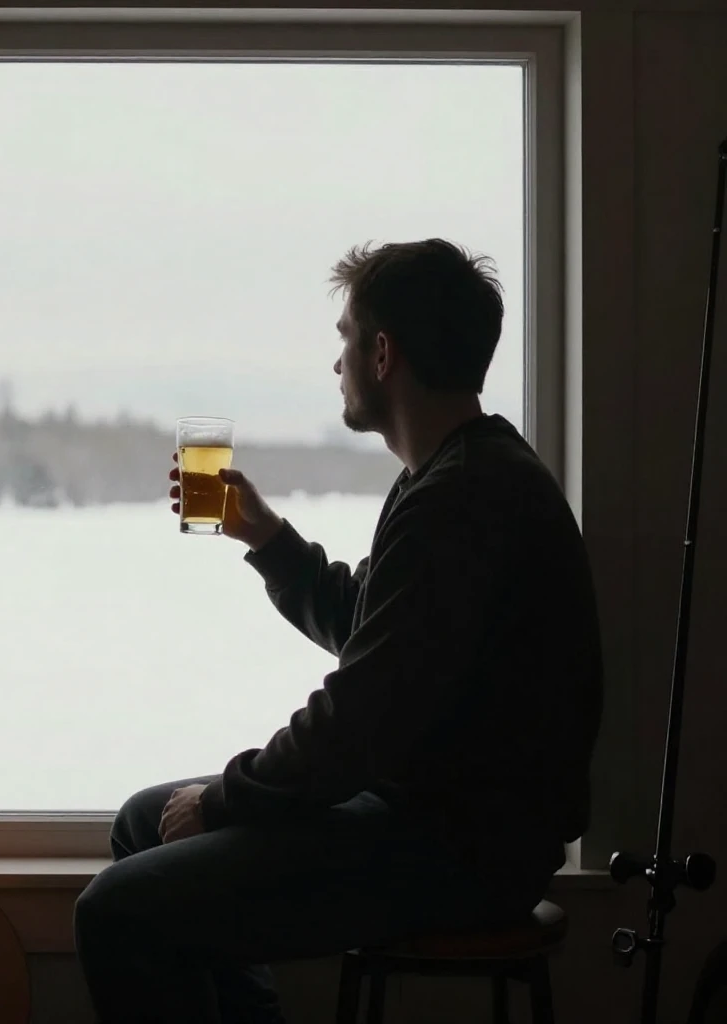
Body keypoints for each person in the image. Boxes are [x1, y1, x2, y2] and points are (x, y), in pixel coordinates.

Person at [74, 238, 604, 1024]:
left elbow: (361, 718)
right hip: (438, 820)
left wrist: (226, 800)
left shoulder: (462, 498)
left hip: (462, 851)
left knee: (114, 911)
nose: (337, 366)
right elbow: (378, 629)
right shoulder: (455, 475)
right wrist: (267, 538)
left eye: (345, 340)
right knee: (141, 821)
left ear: (382, 352)